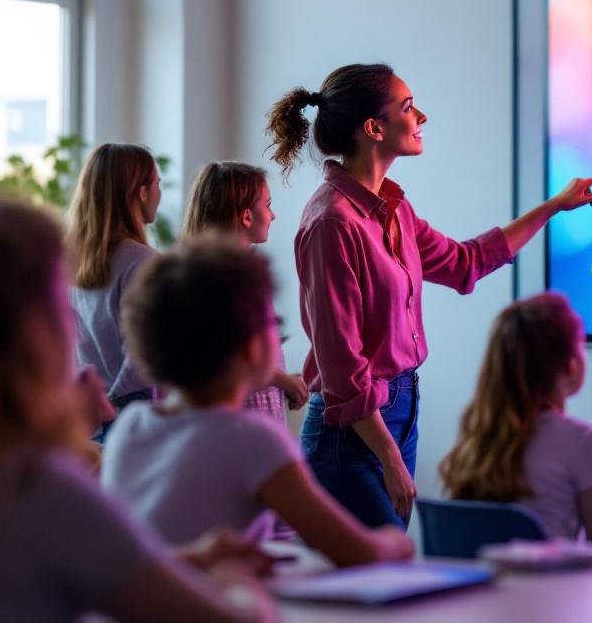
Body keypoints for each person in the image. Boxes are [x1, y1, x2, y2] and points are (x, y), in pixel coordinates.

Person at [266, 62, 592, 529]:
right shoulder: (332, 222)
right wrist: (389, 457)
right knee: (386, 575)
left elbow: (465, 262)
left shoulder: (395, 208)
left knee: (390, 579)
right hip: (354, 433)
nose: (421, 117)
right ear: (374, 128)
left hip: (400, 412)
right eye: (408, 107)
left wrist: (552, 208)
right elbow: (341, 365)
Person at [0, 197, 273, 622]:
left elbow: (91, 566)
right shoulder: (36, 487)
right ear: (29, 341)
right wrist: (233, 576)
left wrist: (190, 557)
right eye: (62, 306)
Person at [101, 238, 414, 567]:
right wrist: (399, 542)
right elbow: (357, 552)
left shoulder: (131, 425)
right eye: (273, 323)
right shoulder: (252, 439)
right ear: (252, 345)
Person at [438, 293, 592, 568]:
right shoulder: (584, 441)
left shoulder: (476, 434)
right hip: (550, 605)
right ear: (571, 366)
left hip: (476, 605)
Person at [180, 160, 309, 421]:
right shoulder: (220, 276)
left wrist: (283, 380)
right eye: (268, 205)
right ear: (246, 215)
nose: (273, 215)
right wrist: (280, 379)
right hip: (241, 419)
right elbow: (223, 359)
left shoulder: (231, 271)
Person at [67, 142, 163, 435]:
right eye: (157, 183)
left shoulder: (74, 261)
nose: (160, 193)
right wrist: (114, 401)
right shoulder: (143, 262)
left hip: (92, 416)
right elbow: (144, 355)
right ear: (142, 192)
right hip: (133, 417)